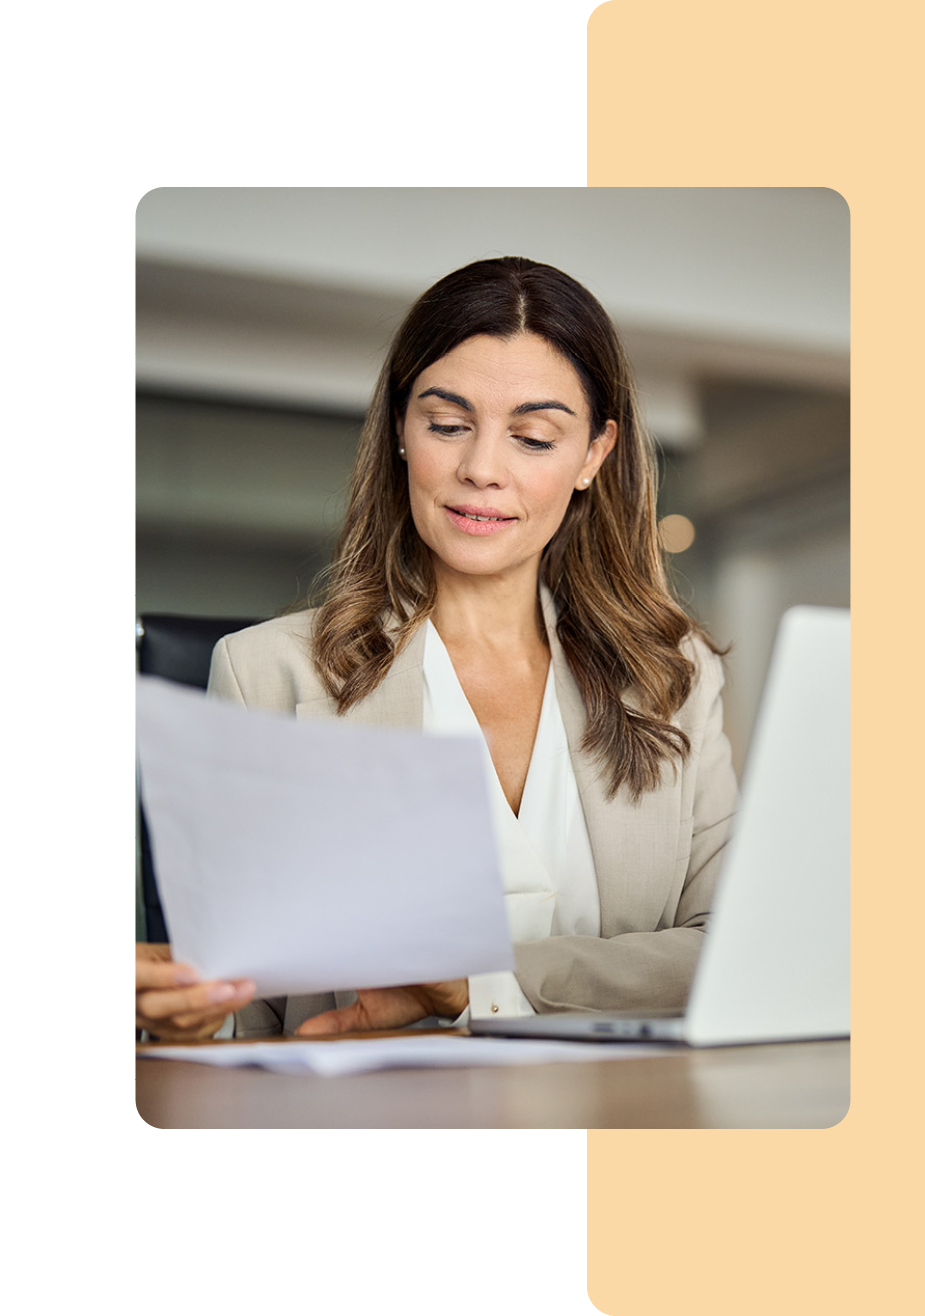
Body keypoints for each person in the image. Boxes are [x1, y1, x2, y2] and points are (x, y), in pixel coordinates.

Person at [137, 255, 738, 1043]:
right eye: (447, 425)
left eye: (532, 436)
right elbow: (237, 1026)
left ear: (594, 453)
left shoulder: (674, 678)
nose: (481, 469)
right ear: (399, 430)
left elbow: (725, 955)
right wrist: (178, 1022)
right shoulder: (266, 675)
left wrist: (482, 984)